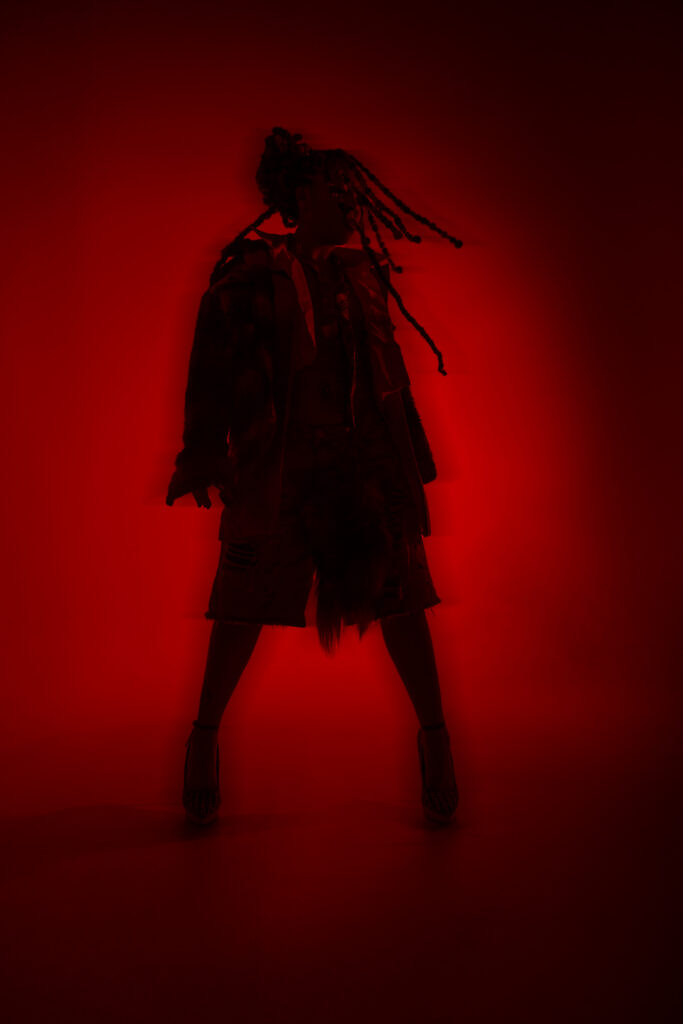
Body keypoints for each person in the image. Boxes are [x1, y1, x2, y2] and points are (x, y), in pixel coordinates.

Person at [166, 127, 463, 827]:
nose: (352, 204)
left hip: (361, 462)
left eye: (354, 194)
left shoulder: (362, 275)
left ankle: (436, 740)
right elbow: (211, 366)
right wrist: (203, 451)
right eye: (340, 192)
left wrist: (407, 460)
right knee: (240, 603)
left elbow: (390, 376)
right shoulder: (247, 275)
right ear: (302, 196)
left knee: (402, 597)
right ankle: (204, 737)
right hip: (277, 463)